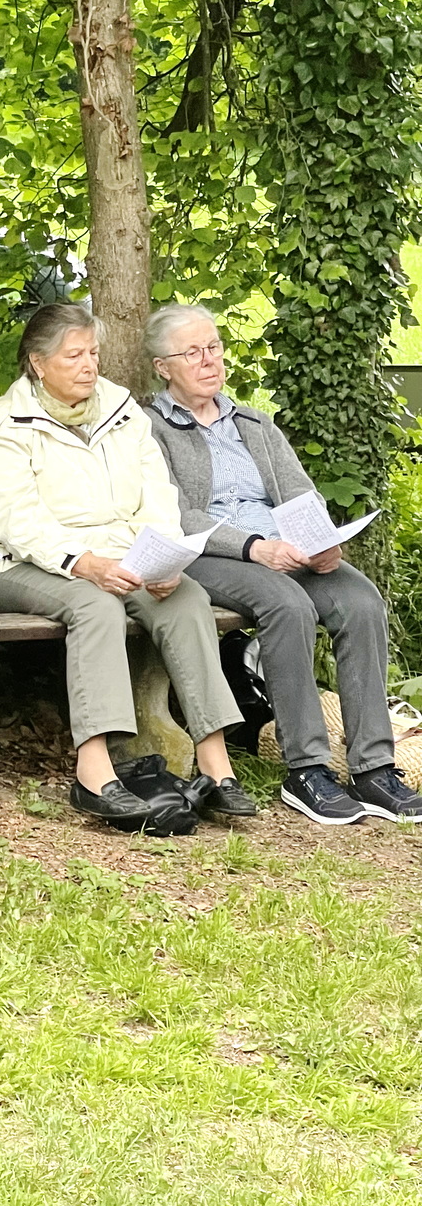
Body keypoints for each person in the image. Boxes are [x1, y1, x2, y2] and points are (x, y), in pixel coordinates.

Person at [0, 303, 250, 830]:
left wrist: (162, 555)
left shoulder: (121, 409)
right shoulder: (3, 423)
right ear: (38, 363)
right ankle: (94, 772)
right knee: (96, 605)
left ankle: (215, 765)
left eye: (93, 353)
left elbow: (156, 493)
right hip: (17, 562)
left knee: (186, 597)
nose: (89, 365)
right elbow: (15, 522)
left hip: (117, 555)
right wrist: (83, 562)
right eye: (73, 355)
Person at [145, 303, 421, 826]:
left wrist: (322, 541)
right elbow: (175, 512)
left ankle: (373, 768)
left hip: (285, 549)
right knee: (288, 605)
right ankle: (307, 769)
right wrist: (254, 547)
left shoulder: (253, 423)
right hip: (208, 553)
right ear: (163, 367)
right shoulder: (150, 430)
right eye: (192, 352)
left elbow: (299, 494)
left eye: (214, 347)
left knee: (361, 602)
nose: (209, 360)